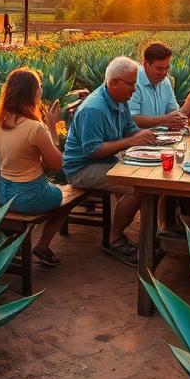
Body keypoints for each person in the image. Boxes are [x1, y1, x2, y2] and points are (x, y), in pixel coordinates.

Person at [63, 55, 158, 265]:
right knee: (139, 186)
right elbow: (92, 151)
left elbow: (131, 130)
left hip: (107, 160)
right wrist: (131, 141)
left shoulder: (119, 100)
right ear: (114, 82)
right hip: (82, 168)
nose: (135, 89)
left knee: (152, 177)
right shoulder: (94, 109)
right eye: (131, 84)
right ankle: (114, 240)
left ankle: (154, 233)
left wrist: (151, 140)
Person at [0, 67, 68, 267]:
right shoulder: (34, 127)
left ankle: (13, 246)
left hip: (3, 193)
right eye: (39, 87)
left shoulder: (0, 121)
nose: (41, 91)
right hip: (28, 196)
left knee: (53, 191)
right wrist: (51, 126)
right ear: (31, 92)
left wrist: (48, 127)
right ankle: (42, 246)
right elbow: (57, 164)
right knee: (63, 199)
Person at [129, 41, 187, 130]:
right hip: (138, 141)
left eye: (167, 68)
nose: (164, 73)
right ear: (146, 65)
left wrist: (180, 119)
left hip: (163, 138)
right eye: (159, 68)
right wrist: (164, 120)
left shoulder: (166, 81)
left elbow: (173, 110)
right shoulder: (133, 81)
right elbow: (132, 119)